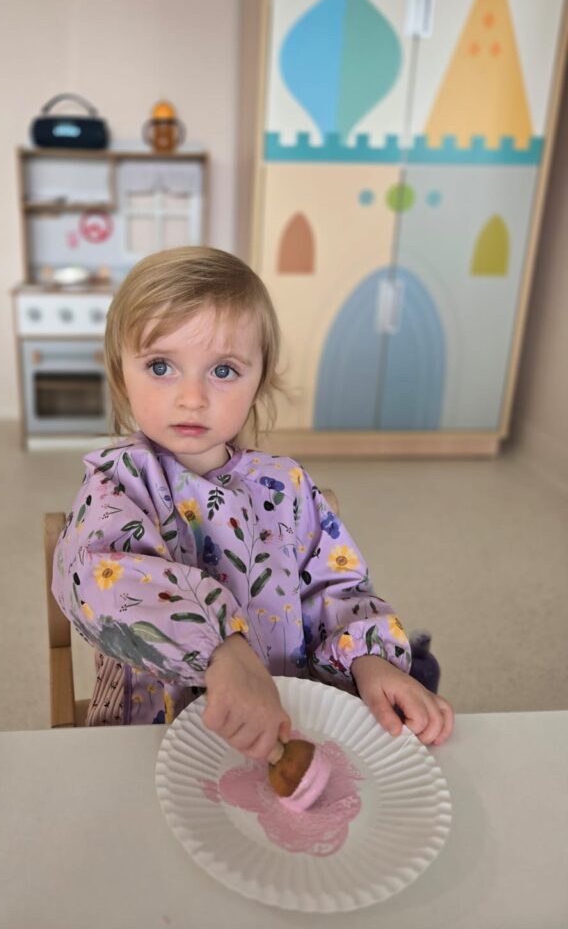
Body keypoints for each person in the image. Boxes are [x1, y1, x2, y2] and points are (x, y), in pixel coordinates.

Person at [53, 246, 454, 759]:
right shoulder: (118, 481)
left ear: (258, 381)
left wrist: (368, 659)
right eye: (161, 366)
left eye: (223, 371)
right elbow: (93, 579)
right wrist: (221, 649)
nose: (192, 397)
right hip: (149, 733)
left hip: (283, 726)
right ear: (120, 375)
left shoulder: (286, 485)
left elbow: (337, 590)